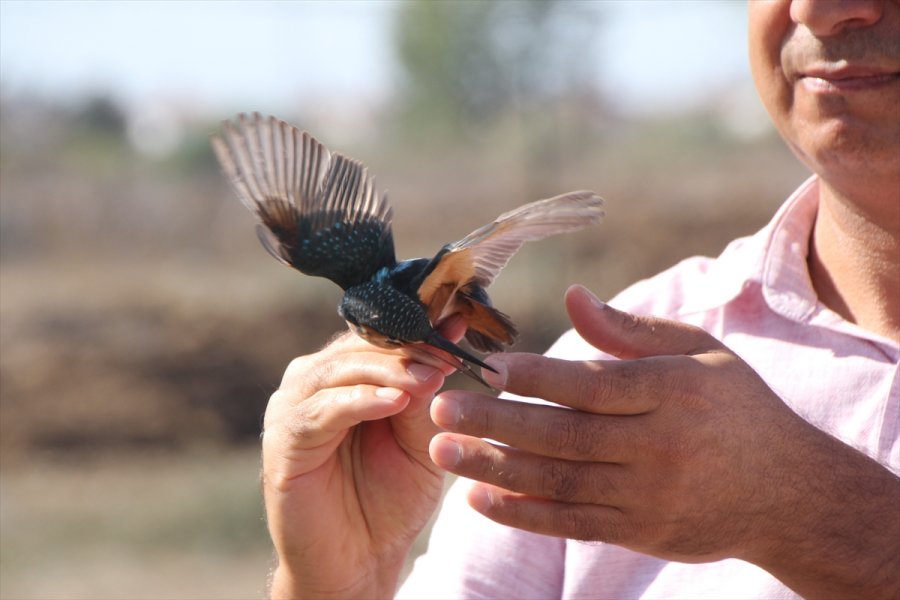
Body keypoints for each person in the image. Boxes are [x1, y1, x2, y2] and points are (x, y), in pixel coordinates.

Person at [260, 1, 900, 598]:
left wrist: (814, 517)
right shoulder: (607, 370)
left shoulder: (639, 380)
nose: (815, 8)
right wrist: (341, 582)